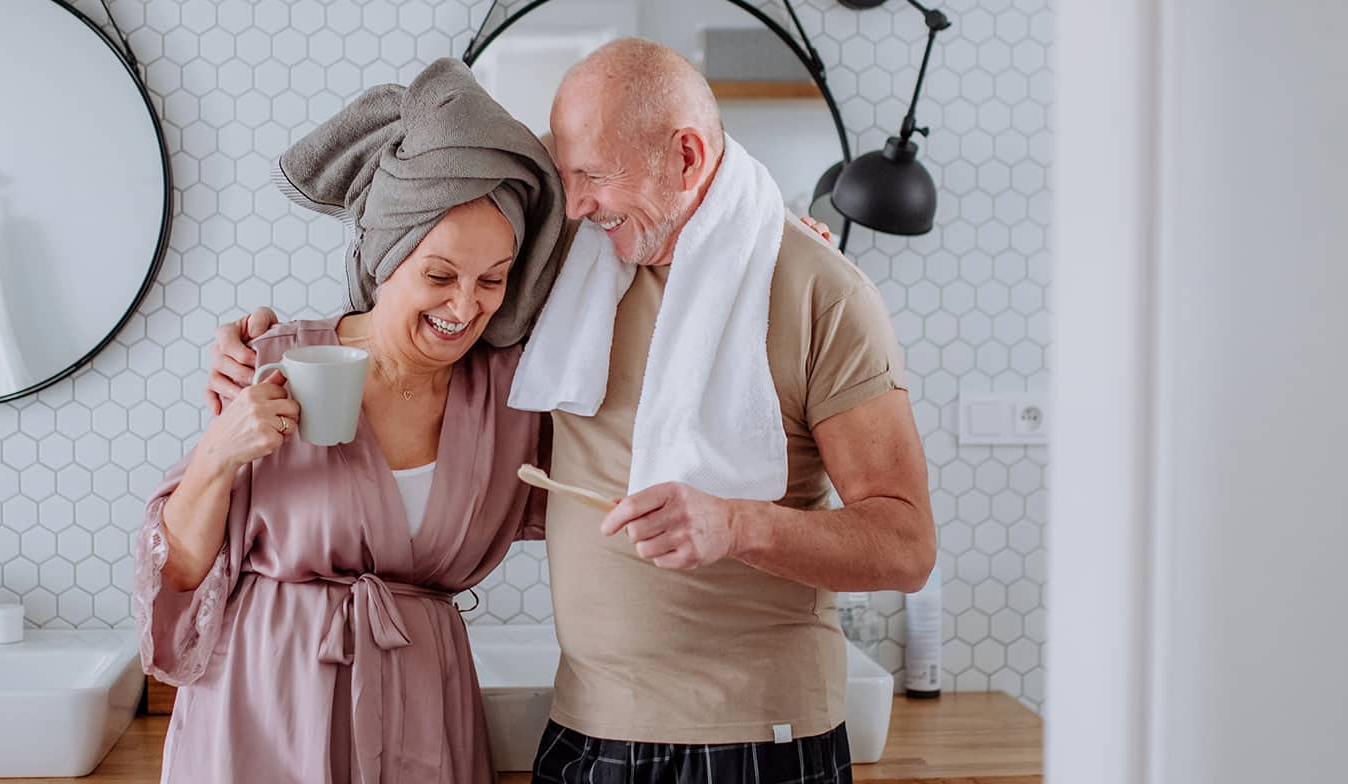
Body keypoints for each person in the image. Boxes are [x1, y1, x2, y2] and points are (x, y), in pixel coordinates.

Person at [211, 38, 936, 784]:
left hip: (757, 736)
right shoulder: (572, 274)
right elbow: (422, 307)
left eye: (594, 175)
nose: (578, 204)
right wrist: (255, 349)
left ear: (686, 158)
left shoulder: (822, 294)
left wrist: (737, 524)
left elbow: (906, 544)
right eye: (567, 176)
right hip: (587, 733)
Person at [133, 59, 567, 784]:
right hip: (263, 715)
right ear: (383, 257)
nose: (465, 307)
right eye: (438, 275)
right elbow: (177, 574)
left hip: (423, 713)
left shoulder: (512, 397)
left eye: (492, 279)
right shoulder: (275, 364)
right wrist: (219, 454)